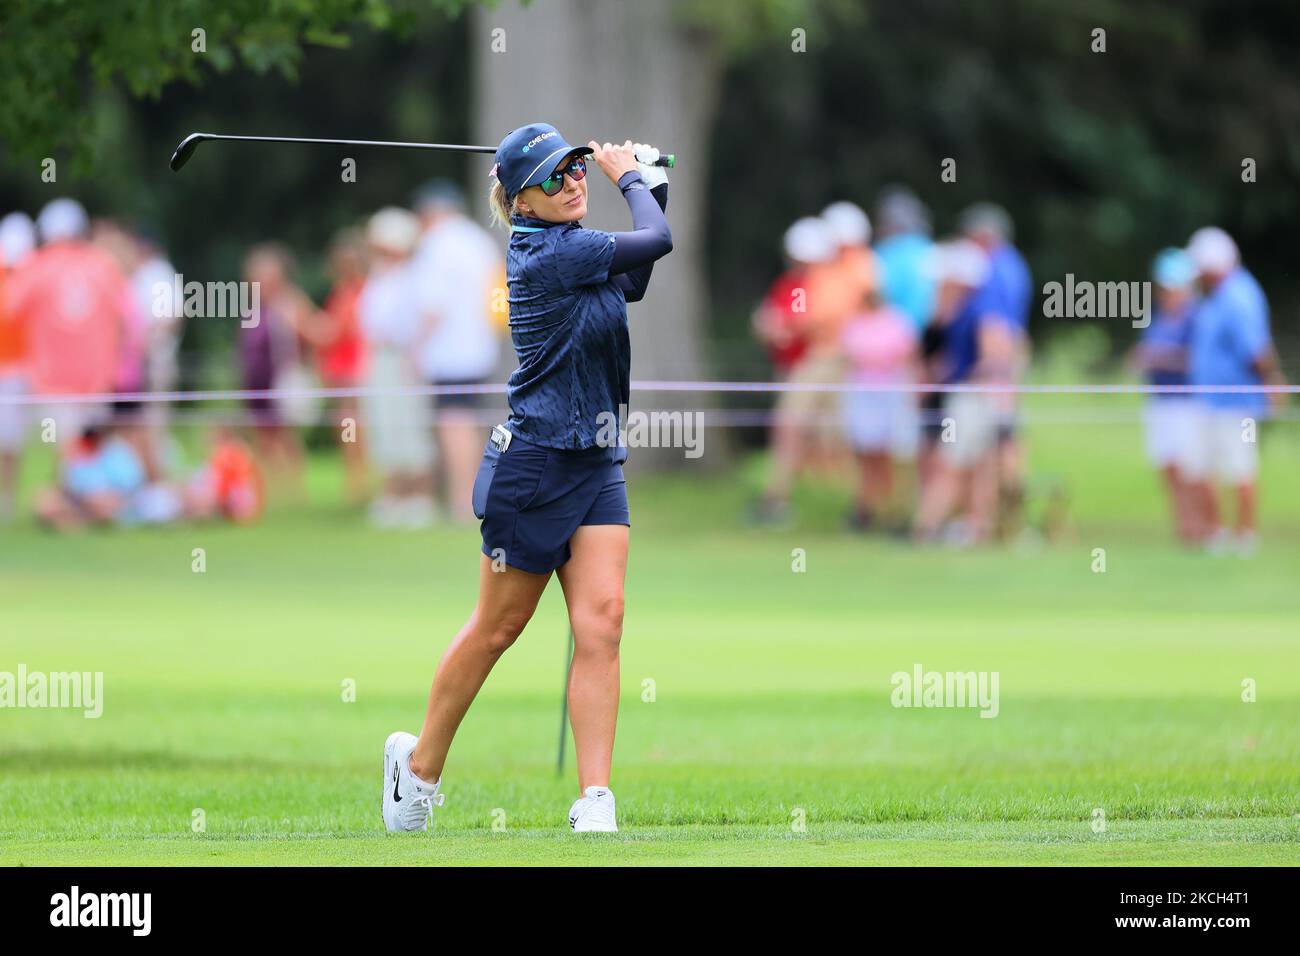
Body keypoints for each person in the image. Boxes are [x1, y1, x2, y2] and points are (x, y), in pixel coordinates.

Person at [381, 124, 672, 835]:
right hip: (535, 464)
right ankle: (416, 771)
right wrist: (632, 178)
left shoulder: (582, 249)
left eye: (576, 168)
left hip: (595, 458)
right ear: (522, 204)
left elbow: (635, 274)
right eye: (554, 178)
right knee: (499, 627)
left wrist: (650, 182)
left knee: (602, 623)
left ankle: (594, 799)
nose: (573, 181)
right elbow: (655, 240)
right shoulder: (548, 252)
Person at [1182, 227, 1285, 556]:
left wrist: (1271, 382)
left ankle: (1245, 537)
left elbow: (1256, 351)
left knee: (1240, 469)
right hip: (1210, 401)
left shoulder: (1240, 296)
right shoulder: (1214, 296)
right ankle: (1217, 535)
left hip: (1237, 404)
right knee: (1205, 468)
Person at [410, 180, 504, 523]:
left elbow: (432, 306)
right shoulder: (477, 239)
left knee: (453, 422)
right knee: (471, 420)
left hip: (449, 350)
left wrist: (415, 347)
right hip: (479, 345)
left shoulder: (437, 244)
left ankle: (462, 501)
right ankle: (479, 494)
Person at [6, 199, 130, 448]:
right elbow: (125, 315)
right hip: (97, 383)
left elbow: (10, 310)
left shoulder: (37, 266)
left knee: (65, 456)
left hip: (52, 383)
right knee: (91, 452)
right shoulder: (103, 265)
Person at [912, 239, 1004, 545]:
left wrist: (953, 373)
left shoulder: (980, 310)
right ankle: (976, 528)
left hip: (971, 398)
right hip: (967, 397)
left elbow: (992, 357)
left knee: (951, 463)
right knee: (977, 465)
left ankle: (926, 528)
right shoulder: (962, 311)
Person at [749, 216, 834, 526]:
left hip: (812, 369)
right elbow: (769, 318)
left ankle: (780, 501)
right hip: (789, 369)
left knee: (799, 433)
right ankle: (781, 500)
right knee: (793, 434)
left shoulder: (823, 284)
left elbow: (808, 322)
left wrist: (781, 327)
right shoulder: (789, 283)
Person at [357, 207, 436, 529]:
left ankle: (420, 497)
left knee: (411, 425)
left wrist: (414, 352)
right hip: (379, 356)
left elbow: (429, 316)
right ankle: (393, 495)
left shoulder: (414, 276)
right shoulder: (378, 278)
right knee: (385, 424)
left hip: (404, 357)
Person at [959, 203, 1032, 536]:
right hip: (1007, 367)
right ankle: (1005, 525)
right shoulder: (1014, 265)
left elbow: (995, 327)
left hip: (995, 372)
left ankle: (990, 523)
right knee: (1005, 444)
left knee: (994, 448)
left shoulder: (993, 268)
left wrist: (989, 372)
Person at [1128, 248, 1198, 543]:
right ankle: (1183, 526)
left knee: (1188, 468)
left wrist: (1158, 358)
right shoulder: (1157, 318)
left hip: (1186, 403)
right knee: (1167, 467)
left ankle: (1199, 527)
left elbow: (1196, 359)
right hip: (1160, 402)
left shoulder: (1195, 318)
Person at [238, 244, 315, 495]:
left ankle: (293, 487)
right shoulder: (253, 306)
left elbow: (308, 335)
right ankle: (271, 487)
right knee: (263, 435)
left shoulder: (289, 301)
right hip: (256, 378)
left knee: (285, 435)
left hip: (280, 378)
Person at [840, 287, 918, 532]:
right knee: (866, 454)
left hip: (889, 396)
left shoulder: (897, 322)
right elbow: (852, 357)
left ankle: (894, 510)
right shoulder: (855, 324)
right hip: (863, 396)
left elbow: (904, 357)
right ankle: (867, 507)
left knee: (891, 454)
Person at [312, 229, 370, 504]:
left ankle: (358, 484)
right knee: (348, 428)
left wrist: (298, 314)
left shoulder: (354, 293)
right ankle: (355, 482)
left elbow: (330, 332)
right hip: (342, 371)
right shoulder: (344, 292)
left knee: (352, 429)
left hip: (352, 372)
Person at [0, 212, 36, 520]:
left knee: (11, 440)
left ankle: (8, 501)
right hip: (11, 368)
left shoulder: (28, 274)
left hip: (18, 369)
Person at [874, 185, 935, 332]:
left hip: (895, 336)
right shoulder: (928, 247)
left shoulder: (887, 251)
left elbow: (878, 295)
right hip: (928, 334)